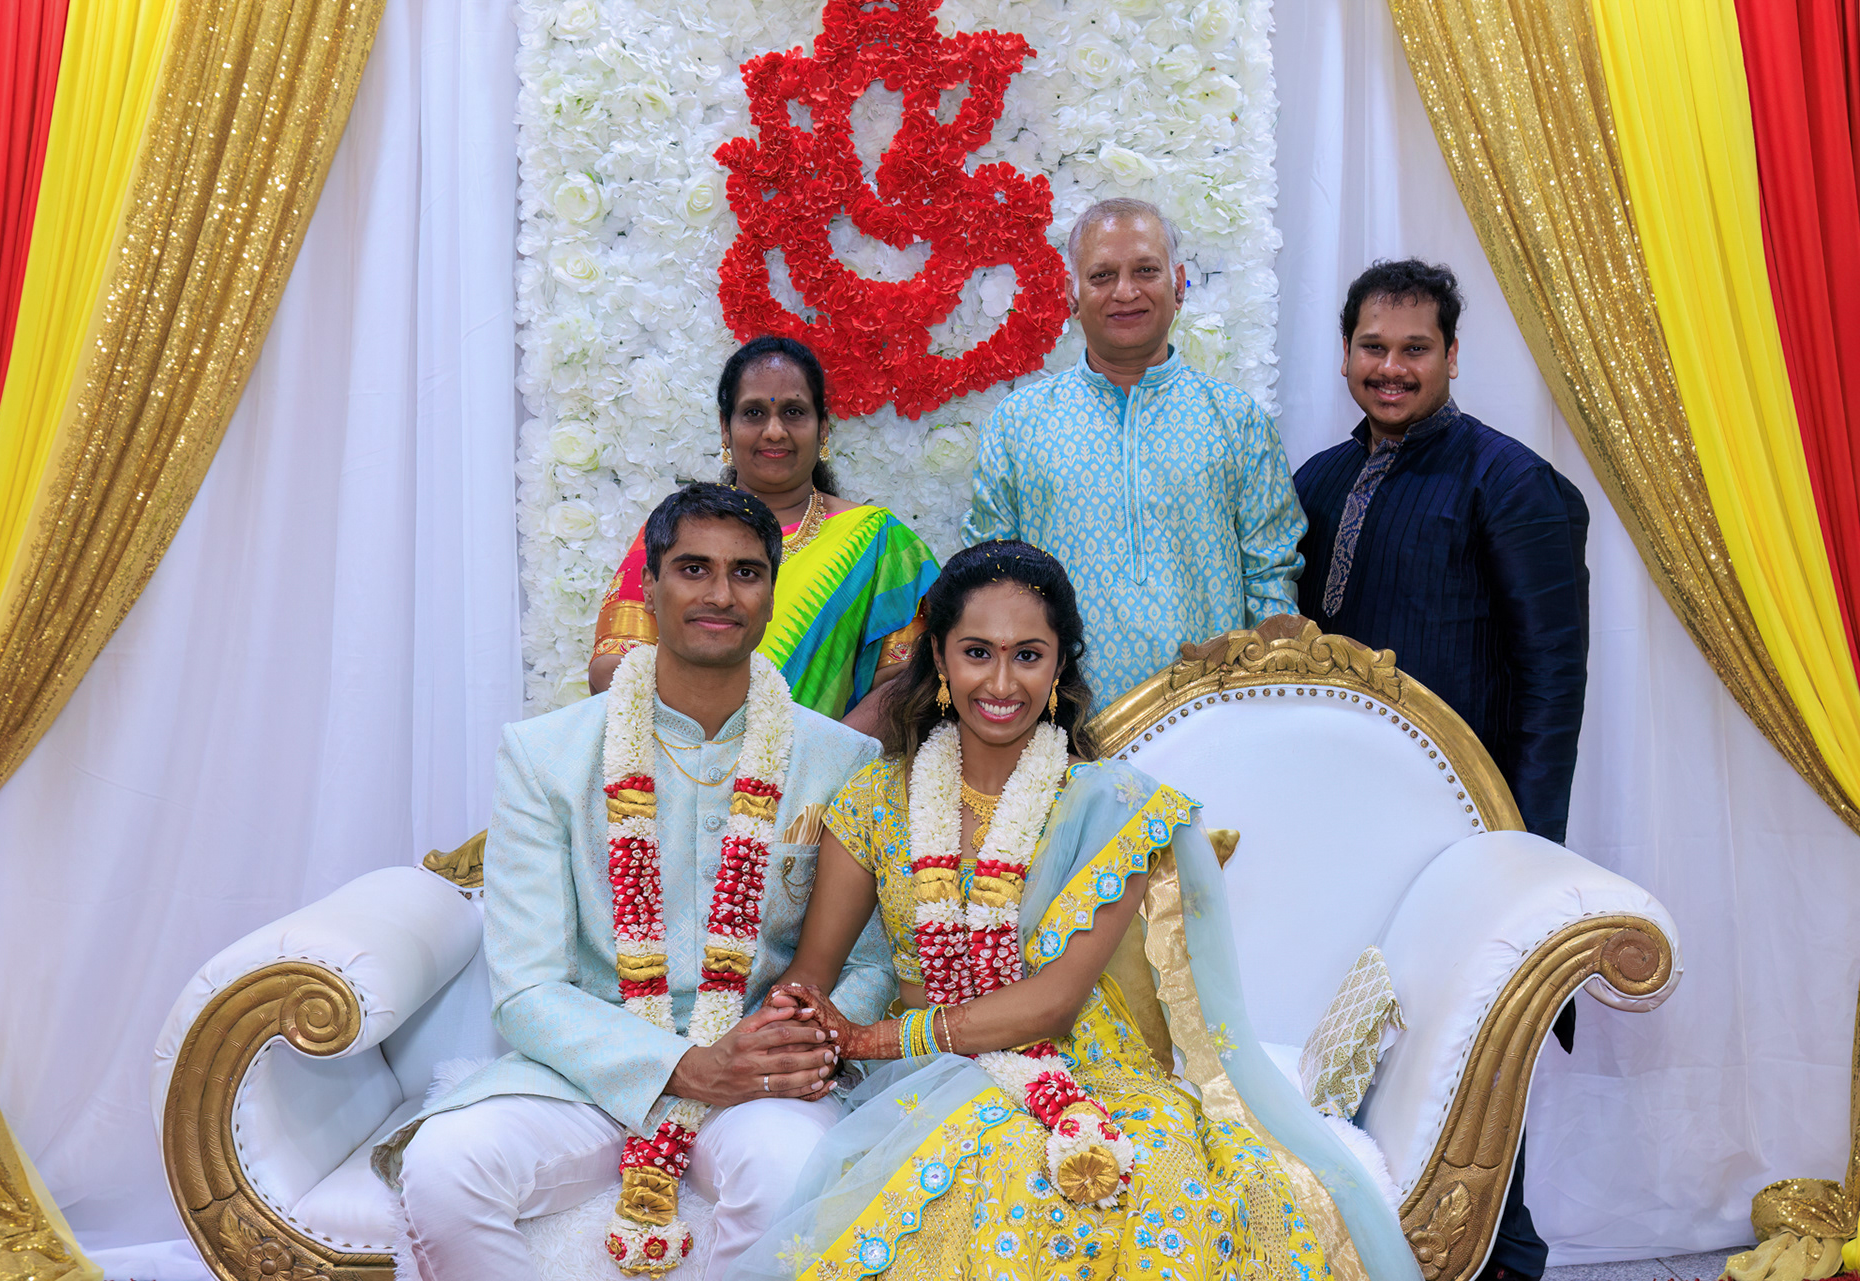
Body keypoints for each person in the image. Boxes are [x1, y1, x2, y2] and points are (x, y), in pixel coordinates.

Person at [727, 542, 1417, 1281]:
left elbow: (1053, 1003)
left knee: (1141, 1188)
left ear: (1058, 666)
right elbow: (812, 972)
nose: (1001, 683)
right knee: (989, 1164)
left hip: (1089, 1069)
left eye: (1027, 655)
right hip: (921, 1075)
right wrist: (789, 1027)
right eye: (977, 652)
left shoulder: (1111, 806)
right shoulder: (873, 802)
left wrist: (870, 1037)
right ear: (940, 658)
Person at [374, 483, 893, 1280]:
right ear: (648, 588)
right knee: (447, 1166)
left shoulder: (842, 761)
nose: (720, 594)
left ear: (769, 592)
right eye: (693, 568)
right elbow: (526, 987)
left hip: (757, 1078)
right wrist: (682, 1064)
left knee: (793, 1172)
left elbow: (871, 964)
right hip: (588, 1072)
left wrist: (791, 1042)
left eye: (746, 572)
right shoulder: (545, 755)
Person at [1292, 259, 1591, 1281]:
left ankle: (1504, 1254)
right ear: (1344, 355)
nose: (1392, 367)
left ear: (1453, 356)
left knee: (1472, 1038)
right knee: (1359, 1040)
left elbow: (1555, 680)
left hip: (1472, 830)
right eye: (1373, 347)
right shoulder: (1319, 481)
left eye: (1415, 348)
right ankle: (1381, 1244)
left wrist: (1525, 848)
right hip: (1352, 826)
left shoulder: (1510, 483)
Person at [962, 198, 1307, 708]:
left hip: (1209, 717)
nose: (1125, 292)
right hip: (1059, 722)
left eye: (1145, 270)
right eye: (1102, 275)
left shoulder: (1237, 420)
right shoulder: (1020, 423)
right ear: (1072, 294)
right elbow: (989, 583)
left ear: (1179, 284)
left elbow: (1271, 581)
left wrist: (1264, 709)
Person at [592, 335, 939, 732]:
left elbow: (908, 681)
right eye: (754, 413)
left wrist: (822, 755)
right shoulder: (677, 529)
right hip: (676, 756)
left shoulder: (877, 540)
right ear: (726, 428)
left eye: (794, 412)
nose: (774, 431)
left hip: (822, 765)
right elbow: (612, 665)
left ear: (823, 428)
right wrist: (704, 746)